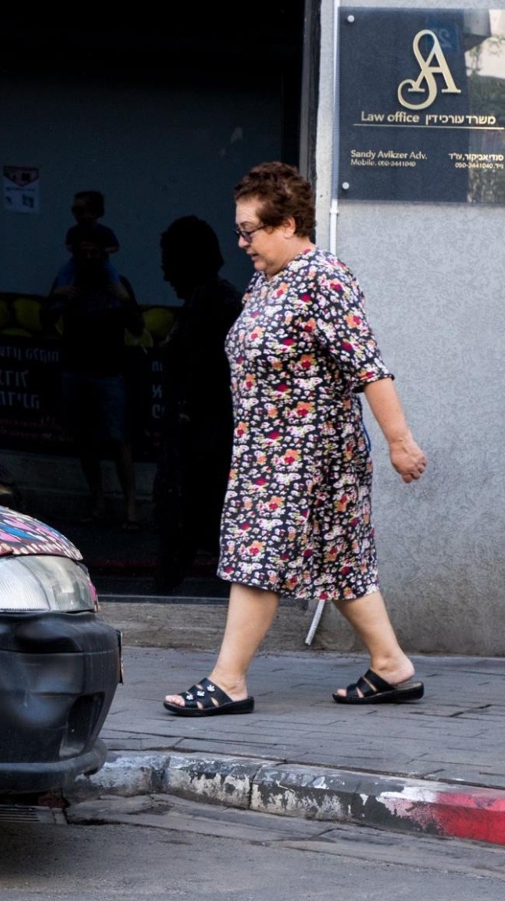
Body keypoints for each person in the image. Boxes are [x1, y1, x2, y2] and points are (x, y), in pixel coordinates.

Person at [164, 162, 428, 716]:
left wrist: (399, 442)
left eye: (249, 231)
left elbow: (369, 367)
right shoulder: (268, 281)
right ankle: (392, 667)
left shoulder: (323, 279)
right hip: (267, 451)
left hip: (306, 456)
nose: (241, 244)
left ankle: (228, 680)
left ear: (286, 224)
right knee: (344, 561)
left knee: (257, 558)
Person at [152, 216, 239, 593]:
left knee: (191, 528)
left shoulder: (215, 305)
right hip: (192, 443)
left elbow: (208, 380)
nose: (164, 270)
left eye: (169, 259)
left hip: (203, 446)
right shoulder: (205, 301)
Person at [49, 234, 144, 529]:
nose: (89, 259)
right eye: (83, 252)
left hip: (109, 372)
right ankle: (98, 503)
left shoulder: (117, 284)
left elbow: (138, 326)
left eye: (95, 253)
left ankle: (131, 508)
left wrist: (125, 300)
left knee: (118, 441)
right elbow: (45, 320)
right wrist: (56, 298)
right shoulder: (69, 283)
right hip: (76, 369)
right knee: (84, 440)